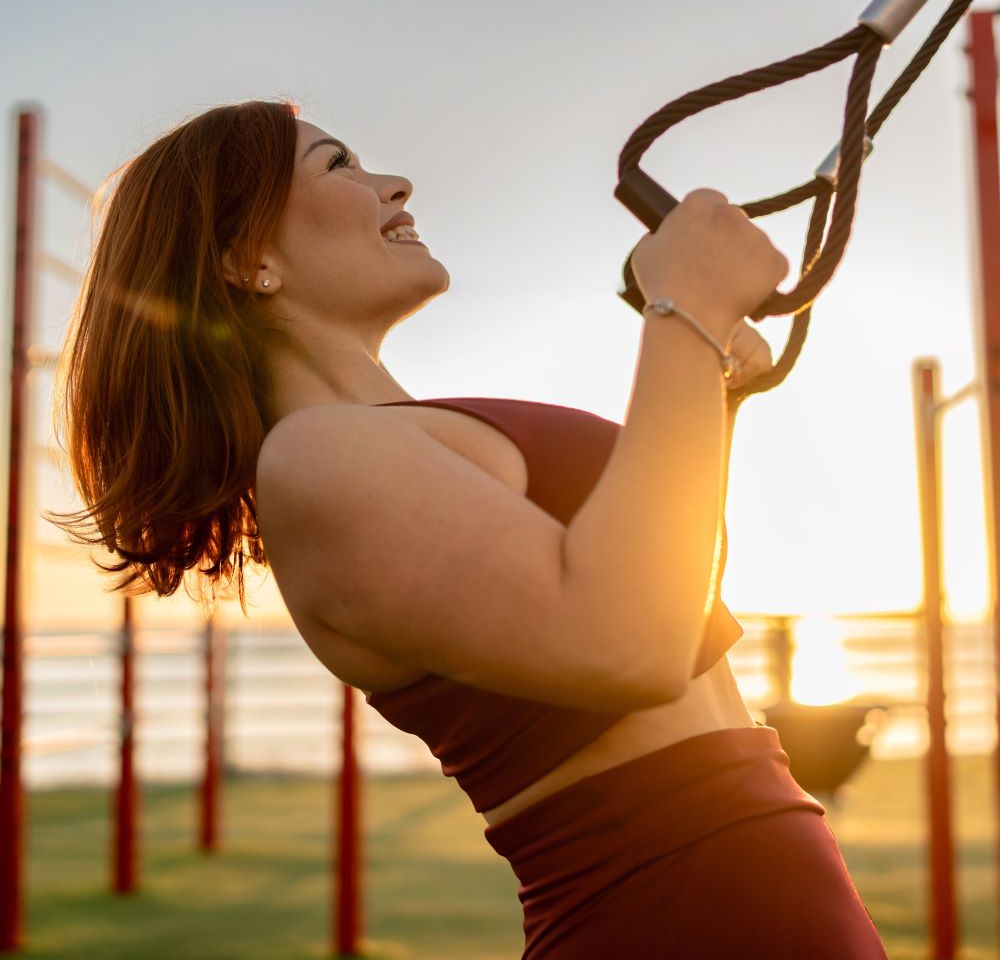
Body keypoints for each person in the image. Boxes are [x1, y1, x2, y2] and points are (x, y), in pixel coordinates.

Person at [51, 99, 887, 958]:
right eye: (338, 165)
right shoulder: (314, 458)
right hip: (677, 912)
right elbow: (627, 647)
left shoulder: (393, 442)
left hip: (757, 881)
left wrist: (708, 384)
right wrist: (688, 311)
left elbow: (664, 599)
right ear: (244, 256)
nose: (395, 184)